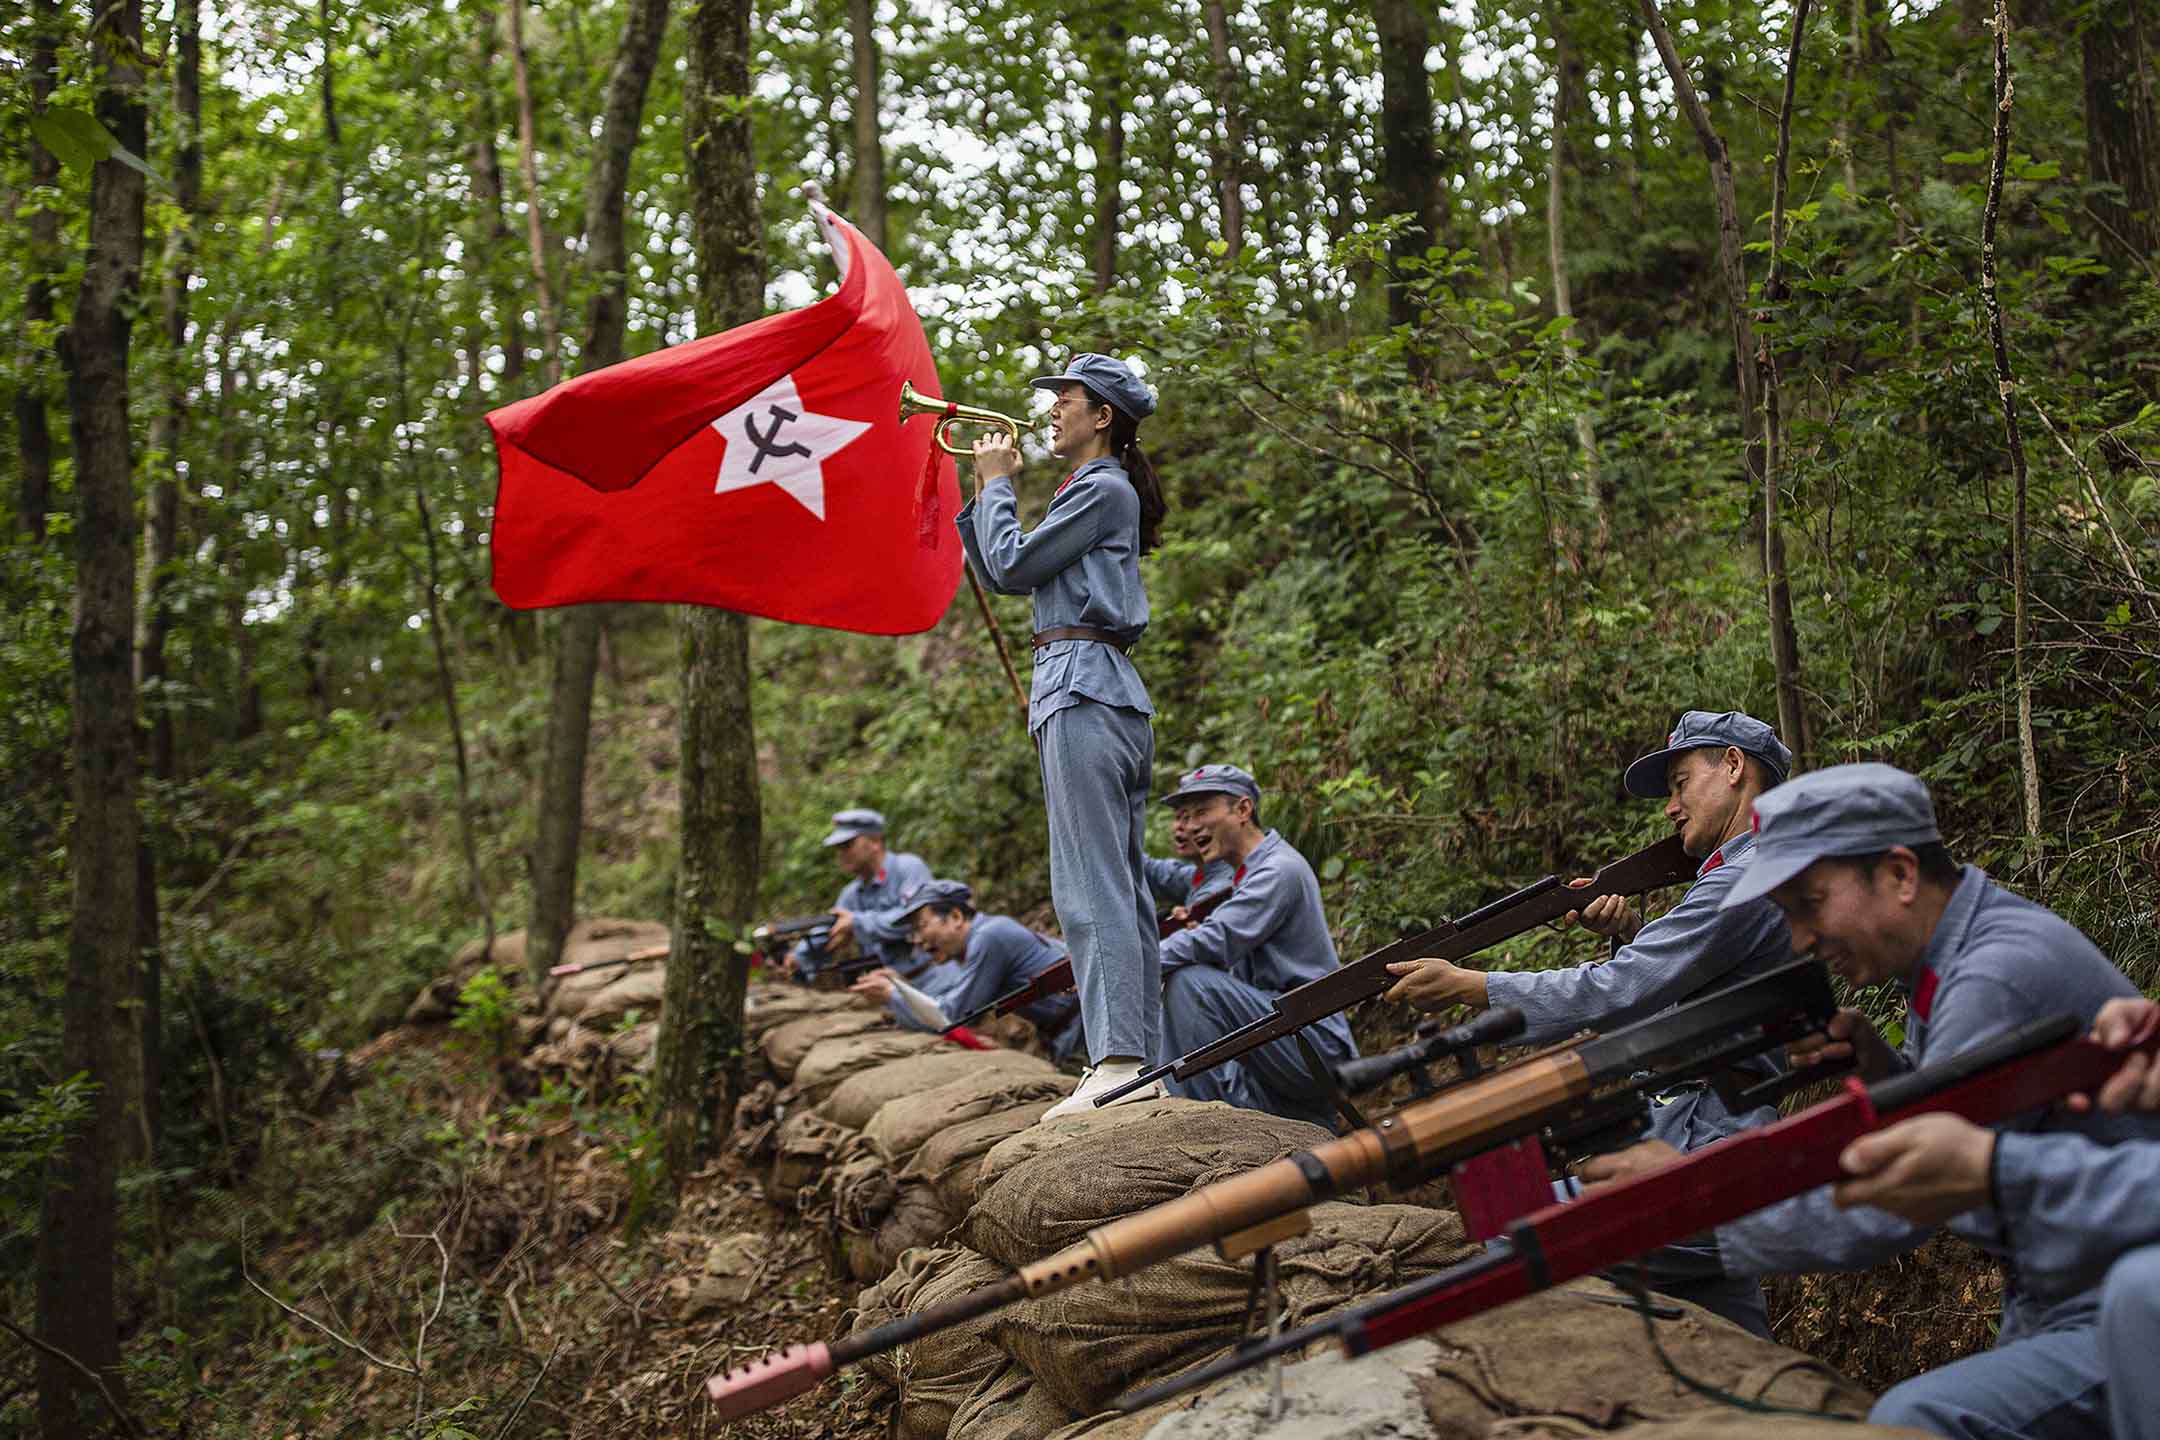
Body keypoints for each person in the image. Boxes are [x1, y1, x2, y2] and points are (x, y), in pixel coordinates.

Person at [1597, 762, 2160, 1440]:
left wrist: (1696, 1196)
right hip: (2066, 1290)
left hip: (2118, 1298)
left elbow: (1899, 1204)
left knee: (1916, 1419)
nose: (1800, 940)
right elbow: (1966, 1116)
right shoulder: (1960, 947)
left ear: (1899, 874)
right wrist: (1884, 1071)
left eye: (1810, 904)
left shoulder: (1992, 976)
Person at [1381, 710, 1797, 1334]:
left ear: (1733, 767)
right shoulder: (1744, 869)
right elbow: (1676, 996)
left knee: (1505, 1231)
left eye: (1681, 783)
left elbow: (1618, 991)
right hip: (1699, 1134)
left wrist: (1474, 986)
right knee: (1735, 1337)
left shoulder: (1746, 876)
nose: (1670, 807)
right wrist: (1630, 936)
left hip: (1708, 1143)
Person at [959, 353, 1169, 1118]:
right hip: (1094, 686)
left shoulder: (1101, 486)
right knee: (1119, 885)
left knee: (1090, 885)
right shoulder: (1097, 489)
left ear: (1102, 416)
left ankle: (1119, 1062)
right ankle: (1139, 1061)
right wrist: (984, 492)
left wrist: (995, 485)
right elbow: (999, 569)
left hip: (1082, 687)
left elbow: (1012, 565)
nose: (1051, 409)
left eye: (1066, 398)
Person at [1154, 765, 1360, 1130]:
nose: (1193, 826)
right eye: (1188, 816)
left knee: (1189, 983)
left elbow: (1214, 940)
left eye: (1203, 812)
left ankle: (1197, 1126)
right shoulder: (1247, 874)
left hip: (1313, 1044)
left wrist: (1127, 967)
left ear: (1243, 809)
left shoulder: (1277, 869)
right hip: (1282, 1044)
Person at [850, 878, 1087, 1062]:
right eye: (913, 933)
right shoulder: (983, 937)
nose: (918, 940)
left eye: (921, 926)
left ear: (955, 916)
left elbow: (951, 1016)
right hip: (1071, 1031)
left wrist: (891, 994)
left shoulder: (988, 938)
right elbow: (947, 1001)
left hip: (1082, 1028)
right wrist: (901, 985)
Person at [788, 808, 932, 981]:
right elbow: (830, 929)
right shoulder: (851, 893)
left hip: (930, 979)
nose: (841, 854)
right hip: (888, 986)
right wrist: (798, 956)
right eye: (838, 848)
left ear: (875, 842)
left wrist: (857, 923)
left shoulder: (908, 867)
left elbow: (915, 918)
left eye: (847, 845)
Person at [1143, 804, 1235, 929]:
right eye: (1177, 818)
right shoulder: (1202, 873)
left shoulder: (1217, 891)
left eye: (1187, 818)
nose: (1178, 826)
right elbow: (1156, 872)